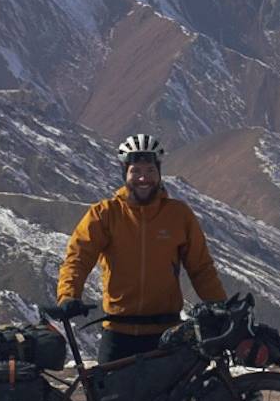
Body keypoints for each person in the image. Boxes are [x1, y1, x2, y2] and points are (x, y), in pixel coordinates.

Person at [56, 133, 228, 363]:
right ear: (125, 173)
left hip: (166, 332)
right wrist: (68, 295)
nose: (143, 178)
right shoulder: (105, 214)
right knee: (108, 398)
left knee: (175, 398)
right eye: (136, 171)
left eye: (149, 171)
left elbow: (201, 267)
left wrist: (219, 304)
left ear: (159, 173)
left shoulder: (178, 214)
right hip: (118, 332)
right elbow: (78, 258)